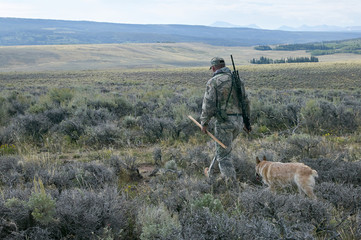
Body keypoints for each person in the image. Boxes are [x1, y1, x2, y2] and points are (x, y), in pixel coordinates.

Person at [200, 57, 251, 183]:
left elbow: (208, 104)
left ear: (213, 68)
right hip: (238, 122)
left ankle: (230, 184)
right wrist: (246, 121)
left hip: (224, 123)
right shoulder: (237, 80)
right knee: (223, 149)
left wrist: (204, 123)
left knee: (224, 155)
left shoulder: (213, 81)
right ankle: (211, 172)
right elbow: (246, 102)